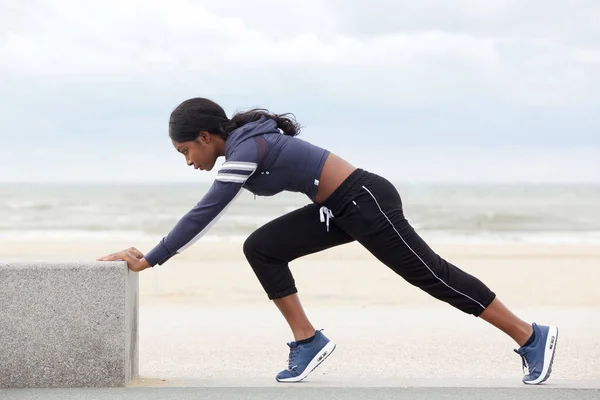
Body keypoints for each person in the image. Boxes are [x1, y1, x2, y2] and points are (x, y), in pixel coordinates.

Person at [97, 97, 558, 384]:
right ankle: (308, 339)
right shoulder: (245, 145)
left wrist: (153, 258)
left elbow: (206, 210)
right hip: (336, 208)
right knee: (262, 247)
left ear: (204, 136)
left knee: (432, 275)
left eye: (186, 152)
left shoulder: (242, 150)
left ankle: (529, 335)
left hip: (364, 199)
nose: (188, 161)